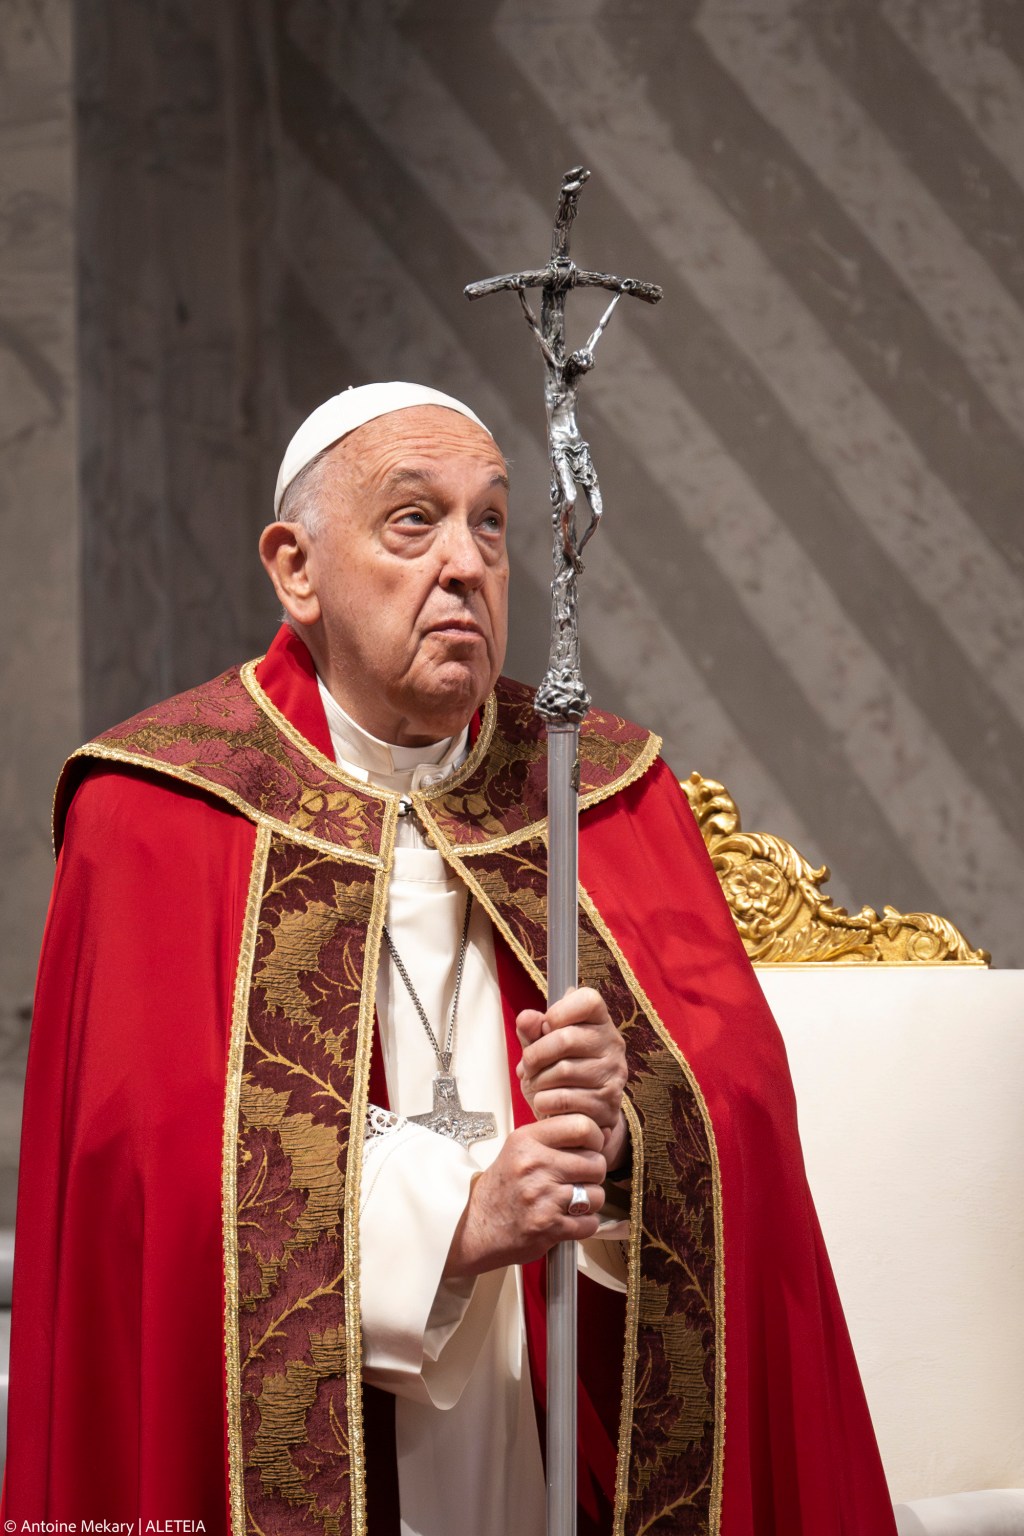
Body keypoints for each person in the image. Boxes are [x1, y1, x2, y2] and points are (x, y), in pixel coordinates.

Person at [4, 383, 898, 1536]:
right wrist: (453, 1224)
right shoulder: (160, 814)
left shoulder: (599, 792)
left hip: (561, 1430)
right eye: (412, 522)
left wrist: (627, 1136)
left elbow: (745, 1111)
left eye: (490, 522)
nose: (467, 564)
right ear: (295, 568)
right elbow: (146, 1179)